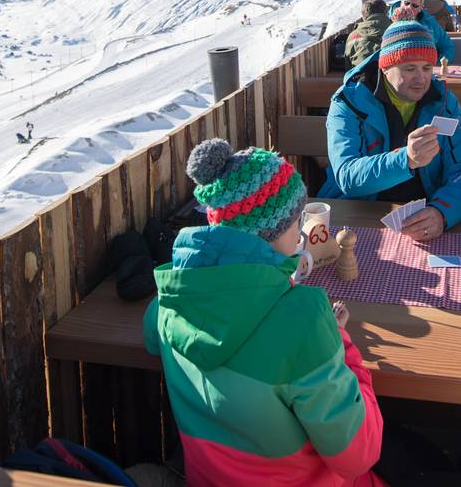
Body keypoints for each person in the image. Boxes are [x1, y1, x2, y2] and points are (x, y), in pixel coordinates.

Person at [145, 139, 384, 486]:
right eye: (297, 221)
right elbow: (359, 454)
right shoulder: (303, 317)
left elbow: (154, 336)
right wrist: (340, 344)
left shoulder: (171, 297)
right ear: (278, 229)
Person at [320, 20, 461, 238]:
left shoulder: (445, 104)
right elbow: (347, 176)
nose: (421, 79)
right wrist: (407, 159)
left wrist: (442, 212)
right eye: (410, 68)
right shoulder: (348, 102)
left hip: (424, 217)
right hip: (355, 215)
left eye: (426, 68)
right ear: (385, 67)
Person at [388, 0, 456, 64]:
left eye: (415, 5)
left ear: (421, 8)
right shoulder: (389, 21)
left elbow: (447, 46)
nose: (409, 7)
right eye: (406, 3)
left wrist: (436, 64)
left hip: (425, 68)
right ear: (401, 3)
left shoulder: (429, 22)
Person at [345, 0, 391, 70]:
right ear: (386, 13)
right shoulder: (395, 31)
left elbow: (348, 66)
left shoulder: (353, 36)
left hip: (360, 78)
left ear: (363, 16)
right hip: (388, 78)